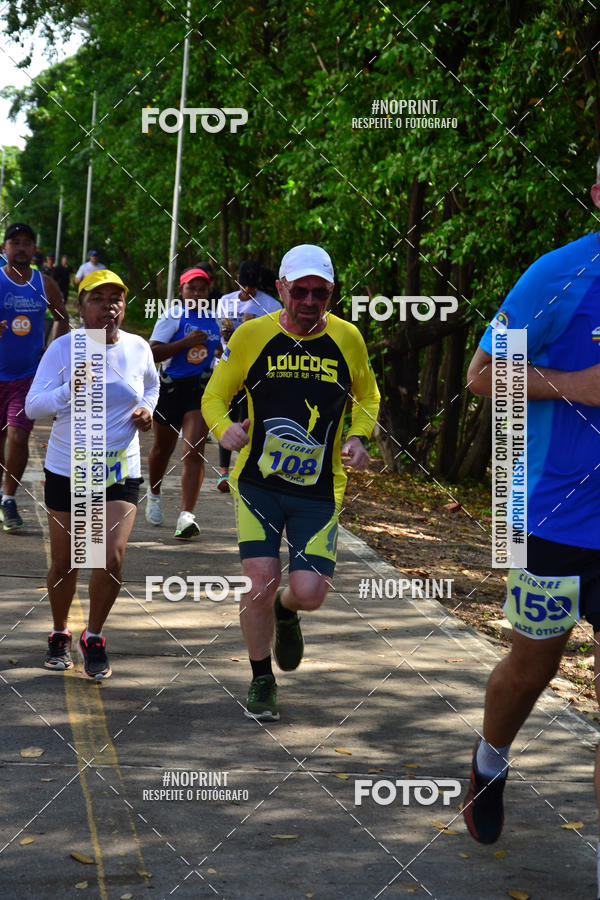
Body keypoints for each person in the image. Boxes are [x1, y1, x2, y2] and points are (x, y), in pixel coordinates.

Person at [463, 164, 600, 898]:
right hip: (552, 518)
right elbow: (483, 375)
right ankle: (489, 760)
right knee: (533, 667)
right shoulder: (559, 274)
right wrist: (578, 387)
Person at [202, 244, 380, 720]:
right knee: (259, 581)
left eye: (319, 293)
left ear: (331, 294)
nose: (309, 301)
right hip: (257, 483)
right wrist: (224, 429)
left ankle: (287, 610)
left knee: (310, 593)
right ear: (281, 289)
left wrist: (359, 436)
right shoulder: (251, 335)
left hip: (319, 490)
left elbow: (368, 396)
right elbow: (213, 396)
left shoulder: (348, 339)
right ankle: (262, 678)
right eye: (299, 291)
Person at [25, 269, 159, 679]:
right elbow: (33, 406)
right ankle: (59, 632)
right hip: (69, 468)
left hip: (119, 469)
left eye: (115, 299)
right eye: (97, 300)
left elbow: (151, 386)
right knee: (66, 561)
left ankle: (94, 636)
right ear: (81, 309)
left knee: (110, 557)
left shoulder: (138, 348)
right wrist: (70, 389)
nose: (108, 307)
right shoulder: (63, 350)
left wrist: (147, 410)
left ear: (124, 307)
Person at [0, 222, 68, 531]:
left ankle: (9, 498)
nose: (21, 248)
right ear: (5, 248)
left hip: (28, 378)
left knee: (18, 436)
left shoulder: (45, 284)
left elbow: (62, 318)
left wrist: (52, 354)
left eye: (26, 243)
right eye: (15, 242)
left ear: (33, 249)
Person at [146, 267, 221, 538]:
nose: (197, 294)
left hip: (199, 392)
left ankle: (186, 516)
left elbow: (218, 350)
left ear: (208, 292)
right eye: (192, 288)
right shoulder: (172, 316)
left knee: (193, 451)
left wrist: (220, 350)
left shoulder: (214, 318)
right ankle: (154, 494)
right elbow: (152, 353)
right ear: (181, 291)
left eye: (202, 289)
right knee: (162, 450)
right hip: (170, 390)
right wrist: (186, 342)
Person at [215, 259, 282, 492]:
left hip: (257, 371)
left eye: (253, 285)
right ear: (237, 280)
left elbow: (277, 340)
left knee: (250, 421)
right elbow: (221, 333)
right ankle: (224, 472)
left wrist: (251, 331)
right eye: (244, 284)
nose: (248, 289)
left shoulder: (271, 305)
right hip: (228, 366)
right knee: (228, 418)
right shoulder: (225, 301)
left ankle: (245, 470)